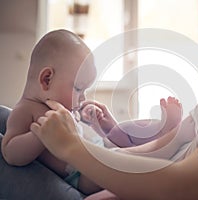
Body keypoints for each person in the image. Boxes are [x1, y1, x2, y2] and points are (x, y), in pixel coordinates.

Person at [30, 0, 198, 199]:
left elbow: (188, 183)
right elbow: (162, 146)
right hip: (108, 173)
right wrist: (106, 140)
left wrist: (73, 148)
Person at [1, 29, 182, 195]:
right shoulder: (25, 111)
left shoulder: (61, 104)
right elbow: (10, 152)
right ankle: (168, 143)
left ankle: (159, 128)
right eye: (79, 88)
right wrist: (40, 135)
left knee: (121, 130)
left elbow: (79, 132)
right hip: (83, 173)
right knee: (122, 158)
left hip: (97, 150)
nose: (82, 97)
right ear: (47, 79)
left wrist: (92, 120)